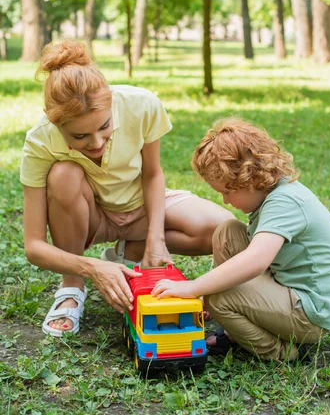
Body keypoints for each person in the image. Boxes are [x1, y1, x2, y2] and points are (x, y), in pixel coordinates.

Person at [21, 41, 232, 337]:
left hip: (141, 208)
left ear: (110, 102)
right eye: (79, 135)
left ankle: (131, 249)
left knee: (223, 229)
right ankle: (71, 286)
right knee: (63, 174)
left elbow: (152, 173)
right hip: (92, 217)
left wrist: (155, 239)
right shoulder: (39, 142)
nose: (95, 143)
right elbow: (33, 246)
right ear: (52, 118)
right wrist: (91, 268)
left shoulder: (141, 104)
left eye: (104, 127)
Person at [152, 118, 330, 362]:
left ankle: (282, 352)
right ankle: (235, 331)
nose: (225, 200)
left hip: (310, 313)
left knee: (219, 297)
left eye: (227, 191)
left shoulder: (285, 202)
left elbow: (256, 260)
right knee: (228, 231)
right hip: (289, 291)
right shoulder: (273, 193)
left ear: (250, 180)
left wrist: (195, 288)